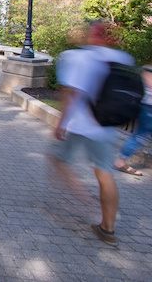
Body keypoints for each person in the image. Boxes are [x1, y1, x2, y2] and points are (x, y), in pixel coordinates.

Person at [50, 22, 135, 247]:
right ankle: (107, 229)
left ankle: (83, 201)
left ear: (93, 35)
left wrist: (61, 124)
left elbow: (71, 93)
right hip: (108, 127)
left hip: (81, 125)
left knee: (57, 160)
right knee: (105, 174)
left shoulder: (79, 58)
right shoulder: (123, 59)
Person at [114, 64, 152, 176]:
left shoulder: (147, 68)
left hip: (147, 108)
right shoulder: (149, 70)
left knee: (140, 136)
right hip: (148, 109)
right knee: (139, 136)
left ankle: (121, 160)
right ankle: (120, 162)